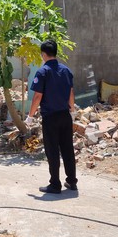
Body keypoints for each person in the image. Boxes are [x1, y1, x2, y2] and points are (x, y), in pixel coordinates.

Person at [26, 40, 77, 194]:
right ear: (55, 52)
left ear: (43, 54)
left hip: (50, 118)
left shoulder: (43, 72)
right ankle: (72, 181)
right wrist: (73, 110)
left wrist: (30, 116)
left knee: (52, 151)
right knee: (68, 149)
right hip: (65, 115)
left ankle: (55, 184)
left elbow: (37, 97)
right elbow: (71, 93)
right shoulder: (66, 71)